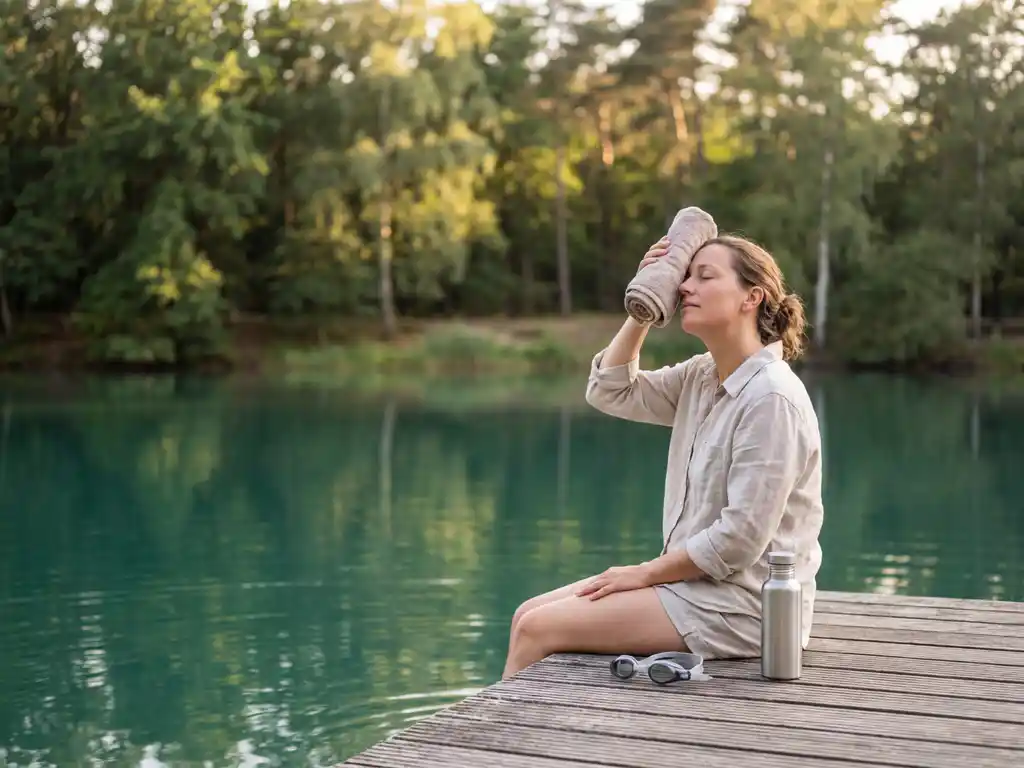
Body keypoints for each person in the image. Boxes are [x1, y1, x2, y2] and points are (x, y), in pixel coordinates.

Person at [501, 233, 824, 680]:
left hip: (748, 608)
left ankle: (503, 746)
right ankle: (514, 744)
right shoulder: (702, 376)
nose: (685, 287)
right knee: (526, 614)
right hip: (693, 588)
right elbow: (610, 390)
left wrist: (645, 573)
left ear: (752, 297)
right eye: (684, 277)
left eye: (703, 276)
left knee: (538, 628)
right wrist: (646, 302)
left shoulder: (772, 398)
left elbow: (740, 538)